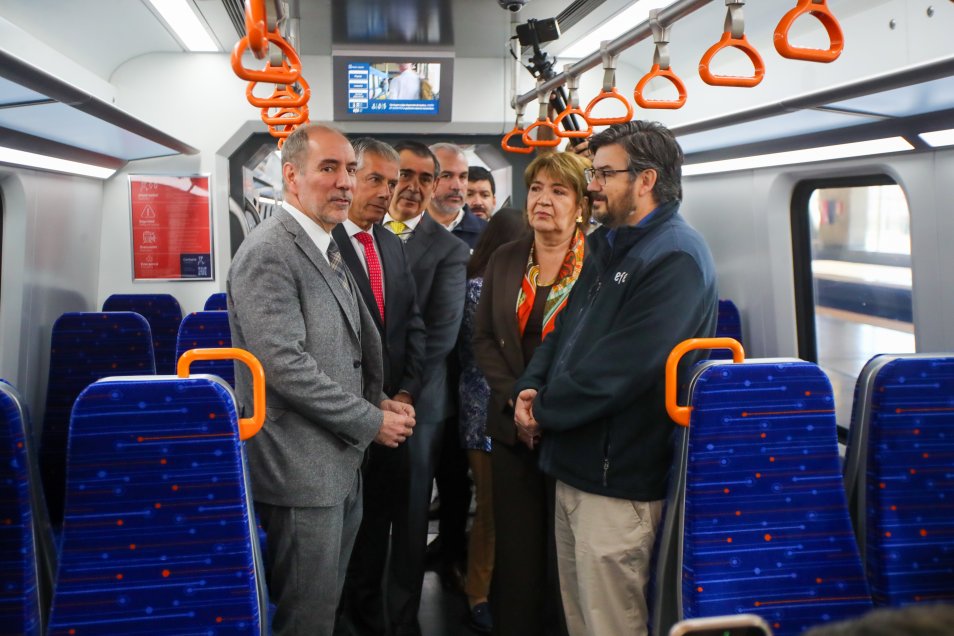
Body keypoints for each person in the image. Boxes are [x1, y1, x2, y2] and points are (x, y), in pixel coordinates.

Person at [512, 121, 718, 636]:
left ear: (645, 180)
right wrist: (529, 388)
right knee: (580, 617)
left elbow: (623, 368)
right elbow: (562, 333)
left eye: (604, 173)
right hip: (575, 463)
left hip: (618, 475)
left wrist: (544, 411)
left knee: (611, 623)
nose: (593, 185)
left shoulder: (674, 257)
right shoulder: (607, 244)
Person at [226, 123, 416, 636]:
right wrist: (370, 419)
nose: (345, 183)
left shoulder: (321, 244)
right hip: (297, 467)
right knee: (304, 615)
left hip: (334, 460)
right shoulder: (271, 250)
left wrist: (377, 397)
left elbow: (339, 350)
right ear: (291, 176)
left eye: (350, 170)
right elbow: (283, 365)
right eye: (328, 168)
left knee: (324, 603)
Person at [473, 152, 591, 636]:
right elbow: (483, 339)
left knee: (568, 554)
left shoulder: (600, 264)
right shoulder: (505, 258)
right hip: (510, 427)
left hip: (571, 429)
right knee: (518, 553)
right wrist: (515, 402)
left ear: (581, 206)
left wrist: (544, 410)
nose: (543, 200)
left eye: (559, 191)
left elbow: (592, 350)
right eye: (537, 188)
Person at [332, 138, 426, 636]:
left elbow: (412, 325)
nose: (387, 193)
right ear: (349, 179)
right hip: (345, 420)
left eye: (393, 183)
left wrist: (407, 393)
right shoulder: (326, 243)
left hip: (396, 419)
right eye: (375, 180)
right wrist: (370, 407)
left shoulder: (390, 242)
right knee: (340, 540)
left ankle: (368, 621)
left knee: (377, 534)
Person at [382, 140, 470, 636]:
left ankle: (400, 616)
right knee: (368, 511)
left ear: (434, 185)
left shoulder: (449, 250)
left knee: (412, 514)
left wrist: (400, 393)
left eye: (423, 178)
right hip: (363, 399)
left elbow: (439, 336)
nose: (412, 187)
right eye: (404, 175)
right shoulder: (361, 236)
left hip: (421, 402)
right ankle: (364, 607)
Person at [458, 208, 531, 633]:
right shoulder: (479, 289)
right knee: (489, 509)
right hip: (484, 408)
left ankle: (501, 586)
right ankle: (478, 592)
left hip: (509, 406)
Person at [424, 142, 488, 591]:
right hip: (420, 374)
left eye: (461, 178)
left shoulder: (484, 237)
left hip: (464, 377)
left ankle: (450, 551)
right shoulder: (403, 232)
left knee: (454, 476)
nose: (456, 186)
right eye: (446, 176)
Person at [429, 143, 488, 249]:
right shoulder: (406, 230)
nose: (457, 186)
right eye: (446, 176)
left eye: (463, 176)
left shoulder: (488, 234)